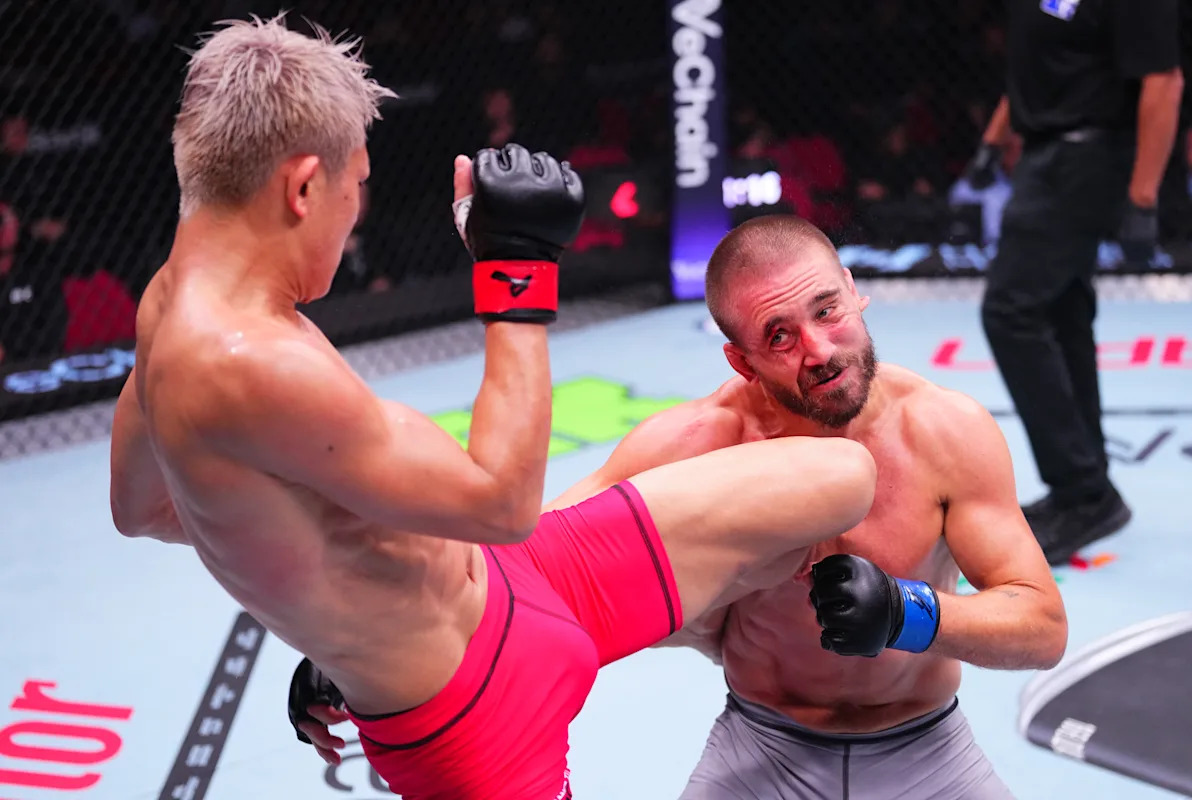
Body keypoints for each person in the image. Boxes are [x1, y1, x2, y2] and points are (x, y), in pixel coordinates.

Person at [108, 16, 879, 800]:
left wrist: (334, 593)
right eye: (356, 183)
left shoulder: (170, 306)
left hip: (527, 576)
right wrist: (515, 272)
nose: (355, 209)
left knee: (842, 477)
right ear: (303, 187)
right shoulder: (249, 361)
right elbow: (502, 504)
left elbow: (142, 509)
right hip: (473, 724)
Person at [289, 215, 1068, 799]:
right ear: (741, 359)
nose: (819, 349)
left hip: (929, 752)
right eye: (780, 336)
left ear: (855, 290)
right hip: (761, 753)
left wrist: (907, 614)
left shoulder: (944, 431)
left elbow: (1040, 625)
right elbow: (522, 569)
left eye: (828, 310)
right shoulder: (696, 443)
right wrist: (370, 649)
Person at [966, 0, 1184, 565]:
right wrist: (995, 138)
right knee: (1060, 312)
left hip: (1087, 159)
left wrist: (1143, 197)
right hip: (1044, 156)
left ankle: (1083, 489)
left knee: (1011, 312)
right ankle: (1085, 486)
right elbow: (1043, 66)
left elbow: (1163, 79)